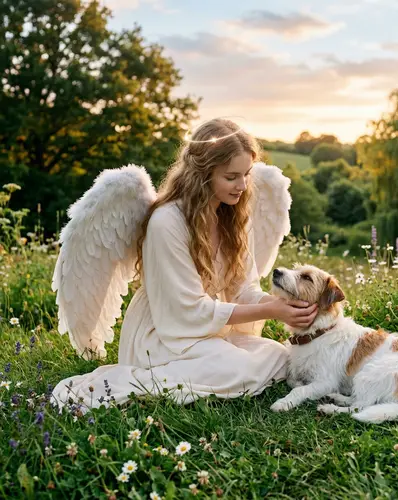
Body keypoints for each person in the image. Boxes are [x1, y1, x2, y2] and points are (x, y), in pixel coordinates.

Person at [50, 118, 318, 413]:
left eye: (246, 175)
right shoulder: (167, 221)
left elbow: (243, 288)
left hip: (207, 332)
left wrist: (283, 305)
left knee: (278, 355)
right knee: (239, 366)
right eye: (231, 177)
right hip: (163, 335)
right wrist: (270, 310)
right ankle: (138, 379)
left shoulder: (233, 217)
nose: (242, 186)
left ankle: (214, 368)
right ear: (203, 174)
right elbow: (187, 311)